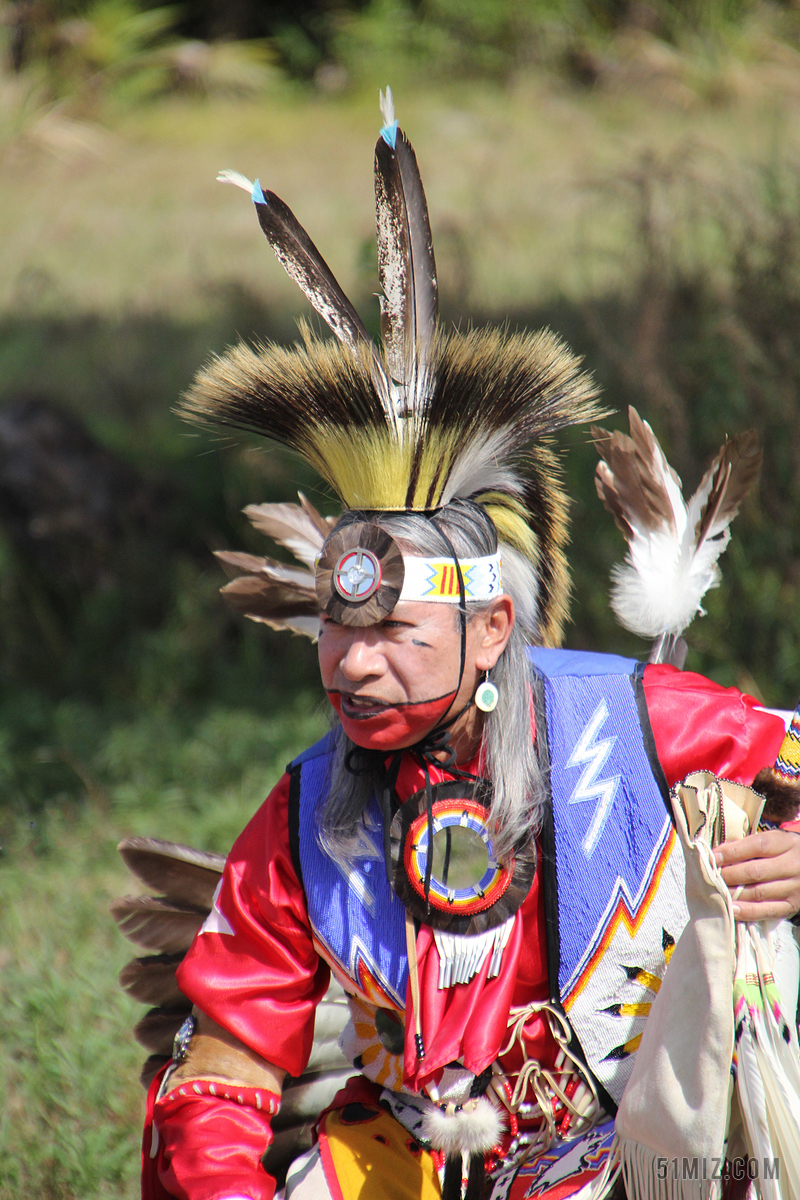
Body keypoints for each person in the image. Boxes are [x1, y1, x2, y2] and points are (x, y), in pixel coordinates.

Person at [140, 95, 800, 1200]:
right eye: (340, 632)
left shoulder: (634, 723)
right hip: (413, 1156)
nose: (352, 665)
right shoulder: (308, 813)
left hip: (657, 1148)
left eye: (394, 631)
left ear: (491, 629)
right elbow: (223, 1073)